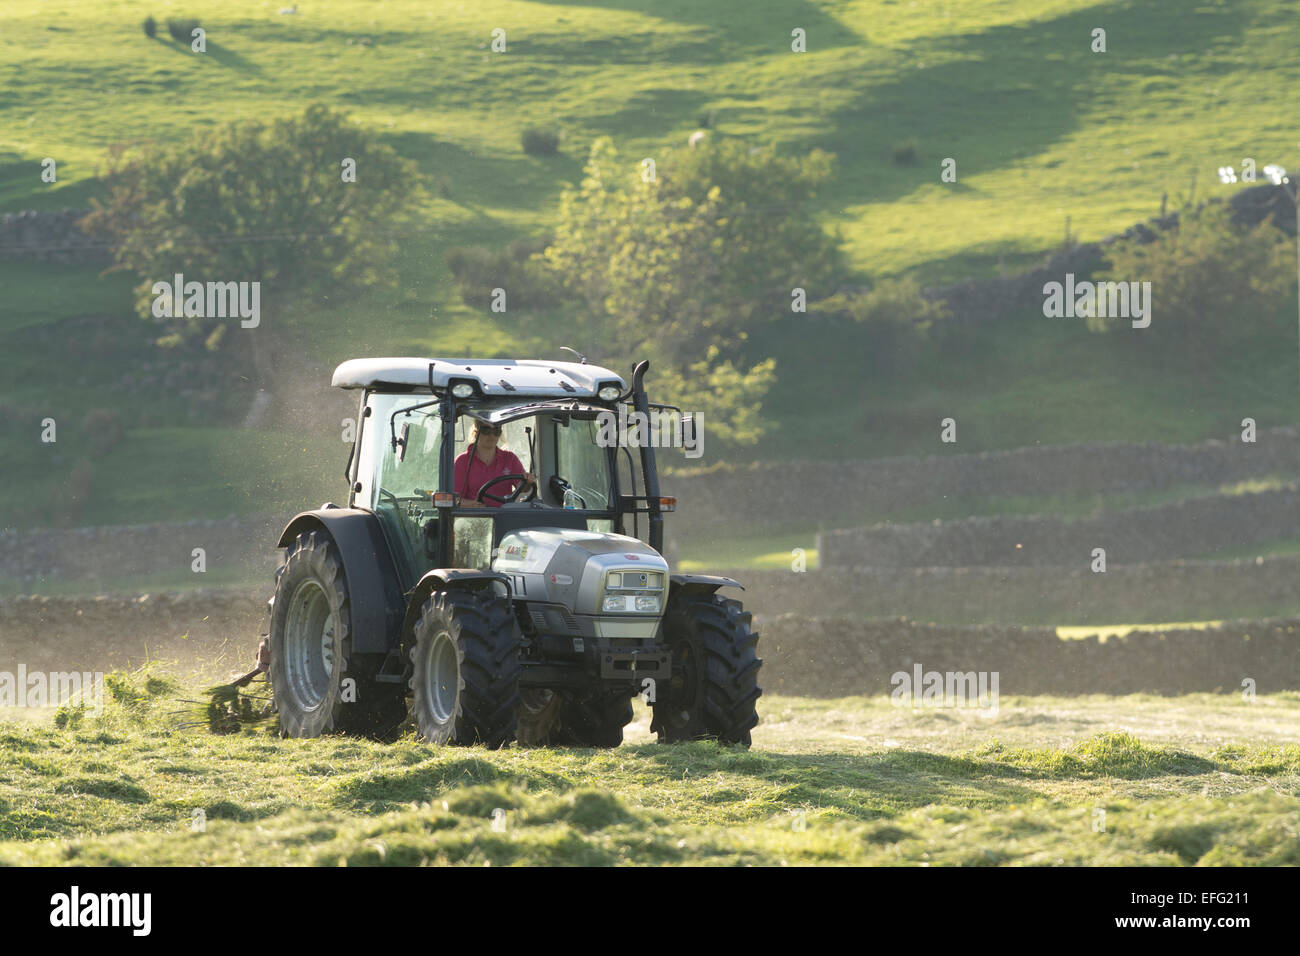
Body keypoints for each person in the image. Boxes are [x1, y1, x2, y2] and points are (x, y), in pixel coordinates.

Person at [453, 419, 536, 508]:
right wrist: (471, 504)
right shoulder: (462, 461)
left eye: (496, 431)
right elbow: (455, 499)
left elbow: (522, 487)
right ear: (476, 432)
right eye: (486, 430)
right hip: (473, 515)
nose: (492, 435)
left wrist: (527, 481)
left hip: (503, 515)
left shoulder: (510, 459)